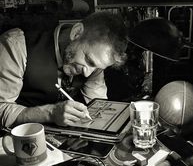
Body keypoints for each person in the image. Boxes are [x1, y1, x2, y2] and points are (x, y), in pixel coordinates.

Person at [0, 11, 128, 129]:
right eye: (89, 61)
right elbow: (1, 108)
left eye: (97, 68)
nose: (87, 73)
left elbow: (99, 106)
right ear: (76, 33)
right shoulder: (16, 44)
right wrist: (51, 113)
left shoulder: (95, 62)